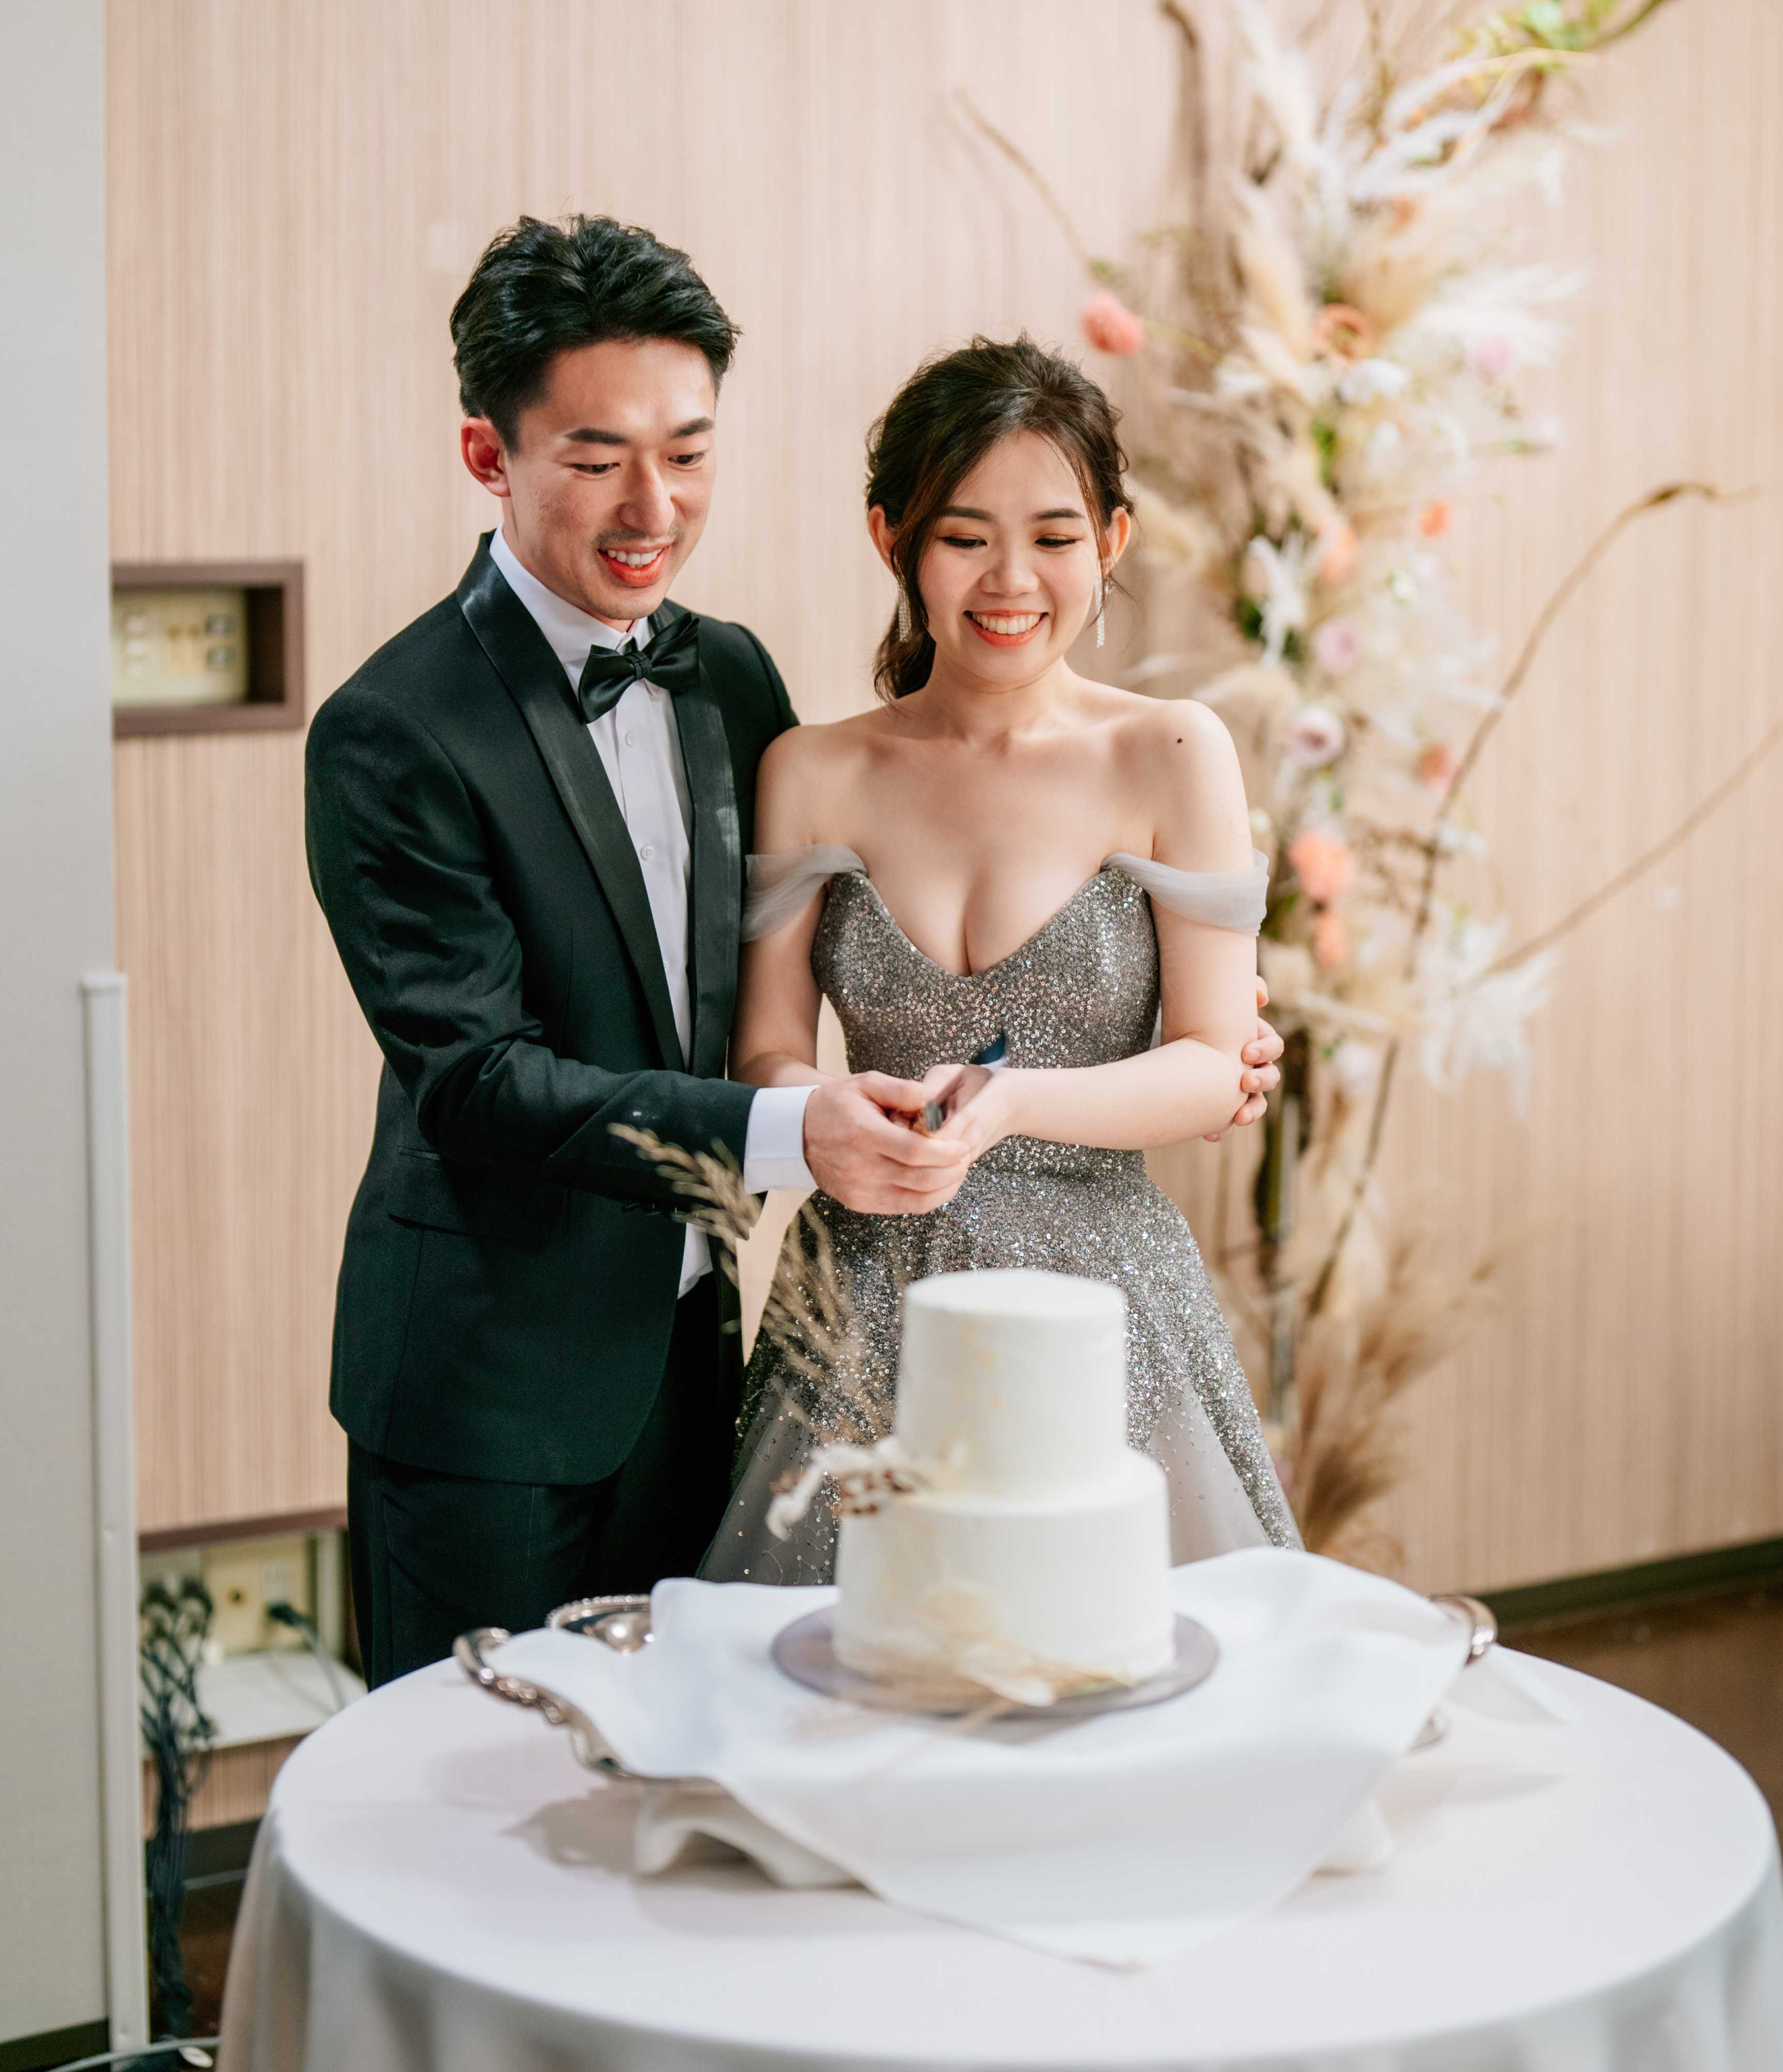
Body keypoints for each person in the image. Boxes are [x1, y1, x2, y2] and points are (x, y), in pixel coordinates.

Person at [306, 216, 1288, 1681]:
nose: (652, 503)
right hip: (495, 1380)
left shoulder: (728, 680)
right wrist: (800, 1123)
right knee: (482, 1774)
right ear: (488, 456)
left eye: (688, 452)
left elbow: (745, 994)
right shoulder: (395, 730)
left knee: (737, 1752)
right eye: (598, 458)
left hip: (710, 1360)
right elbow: (479, 1080)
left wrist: (1208, 1047)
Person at [704, 333, 1301, 1583]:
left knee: (1101, 1651)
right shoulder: (811, 769)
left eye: (1056, 535)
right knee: (854, 1663)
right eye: (965, 535)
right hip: (860, 1297)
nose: (1012, 579)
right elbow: (764, 1048)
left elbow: (1214, 1064)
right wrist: (833, 1113)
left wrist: (1012, 1102)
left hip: (1105, 1307)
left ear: (1113, 540)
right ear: (894, 539)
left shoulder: (1172, 754)